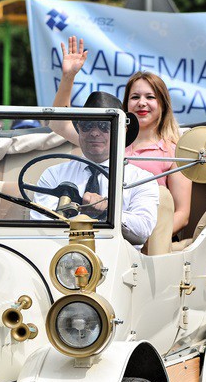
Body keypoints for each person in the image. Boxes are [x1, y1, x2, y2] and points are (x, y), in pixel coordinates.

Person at [51, 37, 191, 236]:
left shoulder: (174, 151)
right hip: (96, 232)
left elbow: (182, 213)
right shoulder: (104, 139)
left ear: (163, 105)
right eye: (135, 97)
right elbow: (58, 124)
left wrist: (149, 242)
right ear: (125, 107)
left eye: (150, 97)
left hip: (144, 241)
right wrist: (68, 77)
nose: (142, 103)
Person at [34, 91, 159, 249]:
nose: (94, 132)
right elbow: (41, 228)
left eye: (103, 125)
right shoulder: (54, 175)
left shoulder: (141, 179)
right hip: (61, 258)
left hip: (120, 262)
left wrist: (108, 210)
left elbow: (143, 230)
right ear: (78, 128)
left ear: (122, 130)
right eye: (87, 125)